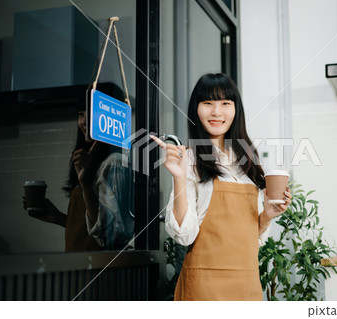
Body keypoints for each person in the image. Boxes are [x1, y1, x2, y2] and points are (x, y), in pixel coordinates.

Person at [151, 73, 292, 301]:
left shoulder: (249, 163)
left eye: (225, 103)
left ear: (236, 110)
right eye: (208, 103)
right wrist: (179, 177)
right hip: (204, 286)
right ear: (196, 109)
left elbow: (249, 238)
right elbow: (184, 236)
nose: (217, 112)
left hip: (247, 284)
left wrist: (267, 215)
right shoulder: (189, 158)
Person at [23, 105, 133, 251]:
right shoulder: (85, 161)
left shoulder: (115, 162)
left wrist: (85, 182)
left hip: (99, 268)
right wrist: (58, 218)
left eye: (92, 113)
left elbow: (109, 236)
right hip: (78, 265)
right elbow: (90, 226)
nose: (84, 121)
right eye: (81, 114)